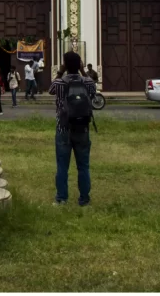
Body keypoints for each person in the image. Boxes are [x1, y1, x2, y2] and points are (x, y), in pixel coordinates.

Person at [48, 51, 95, 206]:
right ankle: (84, 199)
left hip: (63, 128)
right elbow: (93, 90)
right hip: (82, 128)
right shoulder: (87, 82)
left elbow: (50, 90)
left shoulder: (60, 83)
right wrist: (82, 71)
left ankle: (61, 198)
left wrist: (61, 71)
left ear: (65, 65)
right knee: (83, 166)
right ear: (80, 64)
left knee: (62, 165)